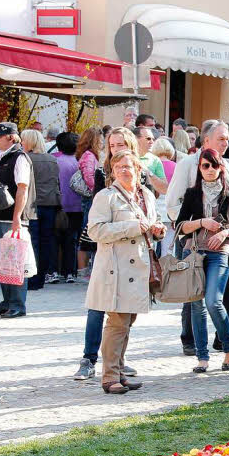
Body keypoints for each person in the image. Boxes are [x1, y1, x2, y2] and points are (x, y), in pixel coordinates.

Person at [86, 150, 165, 394]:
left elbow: (155, 220)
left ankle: (119, 370)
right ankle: (109, 377)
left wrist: (157, 229)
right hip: (115, 269)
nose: (122, 170)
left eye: (127, 166)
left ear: (138, 170)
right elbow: (95, 231)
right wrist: (131, 227)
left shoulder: (147, 196)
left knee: (127, 321)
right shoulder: (106, 197)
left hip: (139, 268)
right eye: (117, 166)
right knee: (117, 322)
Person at [72, 127, 142, 382]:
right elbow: (99, 222)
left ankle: (117, 361)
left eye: (122, 143)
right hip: (108, 254)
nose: (117, 148)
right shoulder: (105, 175)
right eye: (112, 145)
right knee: (99, 307)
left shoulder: (138, 176)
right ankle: (90, 359)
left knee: (125, 315)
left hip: (133, 259)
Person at [174, 148, 229, 373]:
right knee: (196, 304)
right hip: (193, 253)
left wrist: (224, 233)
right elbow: (180, 226)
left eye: (214, 165)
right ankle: (202, 357)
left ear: (221, 167)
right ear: (199, 168)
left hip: (219, 253)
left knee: (213, 301)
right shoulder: (192, 193)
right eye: (206, 166)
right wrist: (202, 222)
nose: (210, 170)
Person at [0, 123, 31, 318]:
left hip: (13, 218)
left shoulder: (19, 157)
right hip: (1, 216)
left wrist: (17, 219)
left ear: (11, 138)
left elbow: (23, 188)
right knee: (4, 261)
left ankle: (17, 304)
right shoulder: (0, 158)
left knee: (16, 261)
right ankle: (6, 302)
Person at [21, 129, 61, 288]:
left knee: (33, 241)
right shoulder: (52, 159)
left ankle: (32, 277)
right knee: (46, 241)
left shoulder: (26, 159)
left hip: (31, 205)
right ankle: (41, 277)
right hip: (49, 204)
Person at [54, 132, 83, 283]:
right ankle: (71, 271)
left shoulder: (55, 161)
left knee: (56, 239)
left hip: (59, 205)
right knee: (73, 240)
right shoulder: (80, 162)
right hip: (78, 205)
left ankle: (56, 270)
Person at [75, 128, 103, 278]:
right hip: (91, 198)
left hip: (92, 198)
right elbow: (89, 177)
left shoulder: (88, 155)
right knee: (88, 233)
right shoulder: (89, 155)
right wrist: (99, 192)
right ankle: (83, 270)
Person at [134, 126, 168, 197]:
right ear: (135, 139)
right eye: (148, 138)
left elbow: (164, 189)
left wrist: (149, 173)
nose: (152, 142)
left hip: (147, 203)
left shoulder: (155, 160)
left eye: (153, 139)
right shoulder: (125, 157)